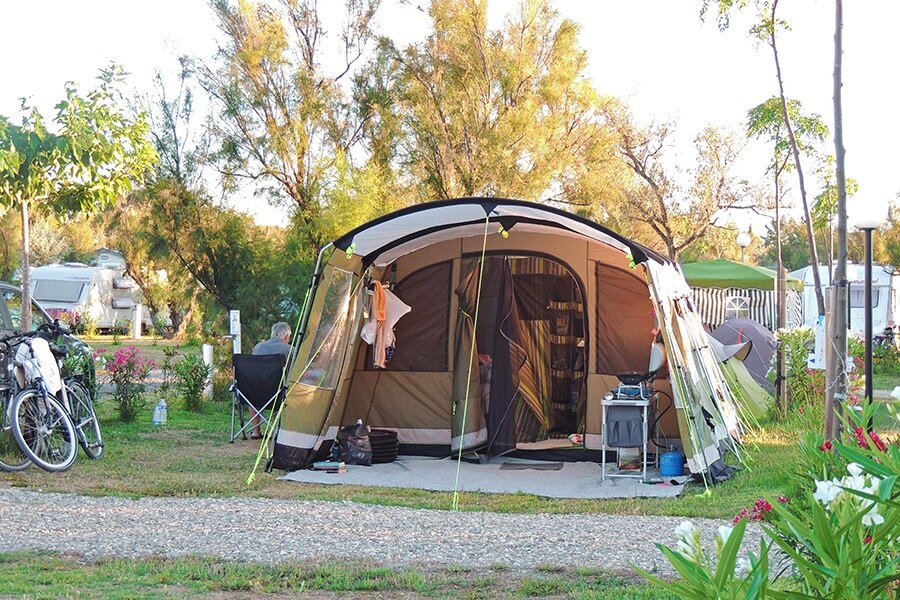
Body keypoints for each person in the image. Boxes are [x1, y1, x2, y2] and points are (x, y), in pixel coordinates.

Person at [248, 322, 292, 439]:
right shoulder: (289, 349)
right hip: (278, 394)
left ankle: (256, 432)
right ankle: (277, 431)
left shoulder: (257, 347)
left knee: (253, 399)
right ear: (286, 337)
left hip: (255, 394)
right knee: (286, 392)